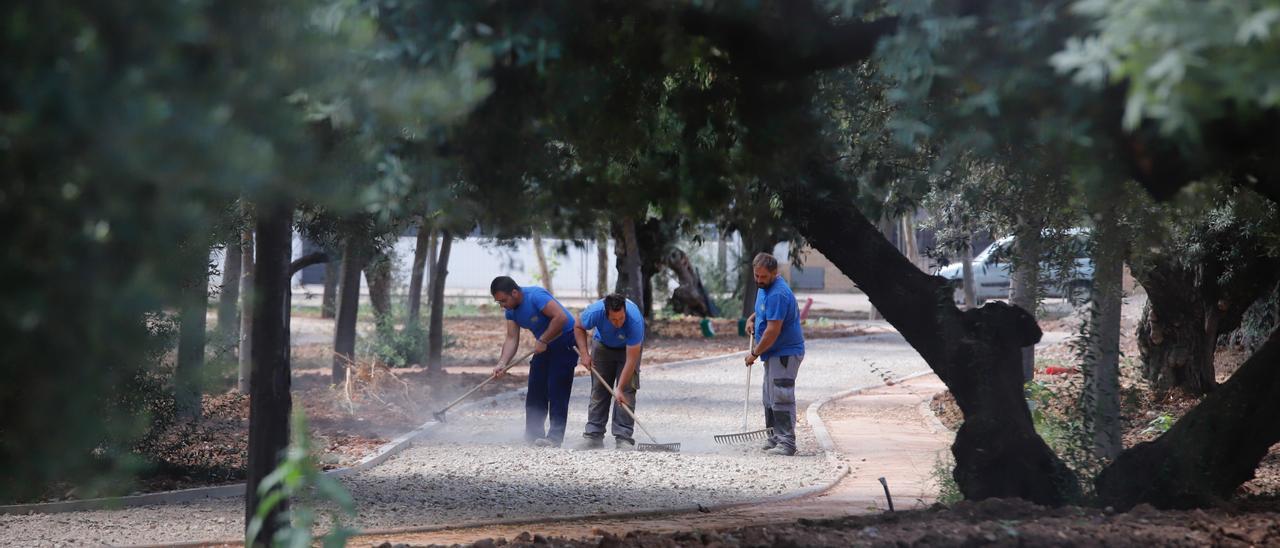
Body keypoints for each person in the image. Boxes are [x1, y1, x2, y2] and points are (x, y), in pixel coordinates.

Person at [490, 276, 578, 447]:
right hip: (543, 344)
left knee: (556, 387)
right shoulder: (511, 310)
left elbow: (561, 318)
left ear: (514, 293)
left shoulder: (536, 296)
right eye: (498, 302)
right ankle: (533, 435)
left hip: (565, 339)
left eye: (503, 300)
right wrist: (502, 363)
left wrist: (544, 339)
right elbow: (511, 338)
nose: (502, 305)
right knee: (536, 387)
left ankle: (554, 438)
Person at [744, 252, 806, 456]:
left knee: (781, 396)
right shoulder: (765, 288)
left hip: (785, 353)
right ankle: (774, 437)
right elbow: (764, 310)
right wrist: (752, 319)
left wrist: (754, 353)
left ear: (774, 273)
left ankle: (787, 443)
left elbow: (772, 331)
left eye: (763, 277)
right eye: (756, 276)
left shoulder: (778, 293)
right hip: (773, 353)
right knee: (768, 396)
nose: (759, 280)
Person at [572, 293, 645, 450]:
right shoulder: (594, 312)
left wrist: (619, 388)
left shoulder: (635, 321)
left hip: (627, 349)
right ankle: (593, 436)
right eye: (614, 320)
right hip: (603, 346)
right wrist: (584, 354)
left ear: (625, 311)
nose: (618, 323)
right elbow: (578, 325)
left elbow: (631, 360)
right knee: (599, 390)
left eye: (621, 318)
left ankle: (624, 437)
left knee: (626, 391)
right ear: (606, 314)